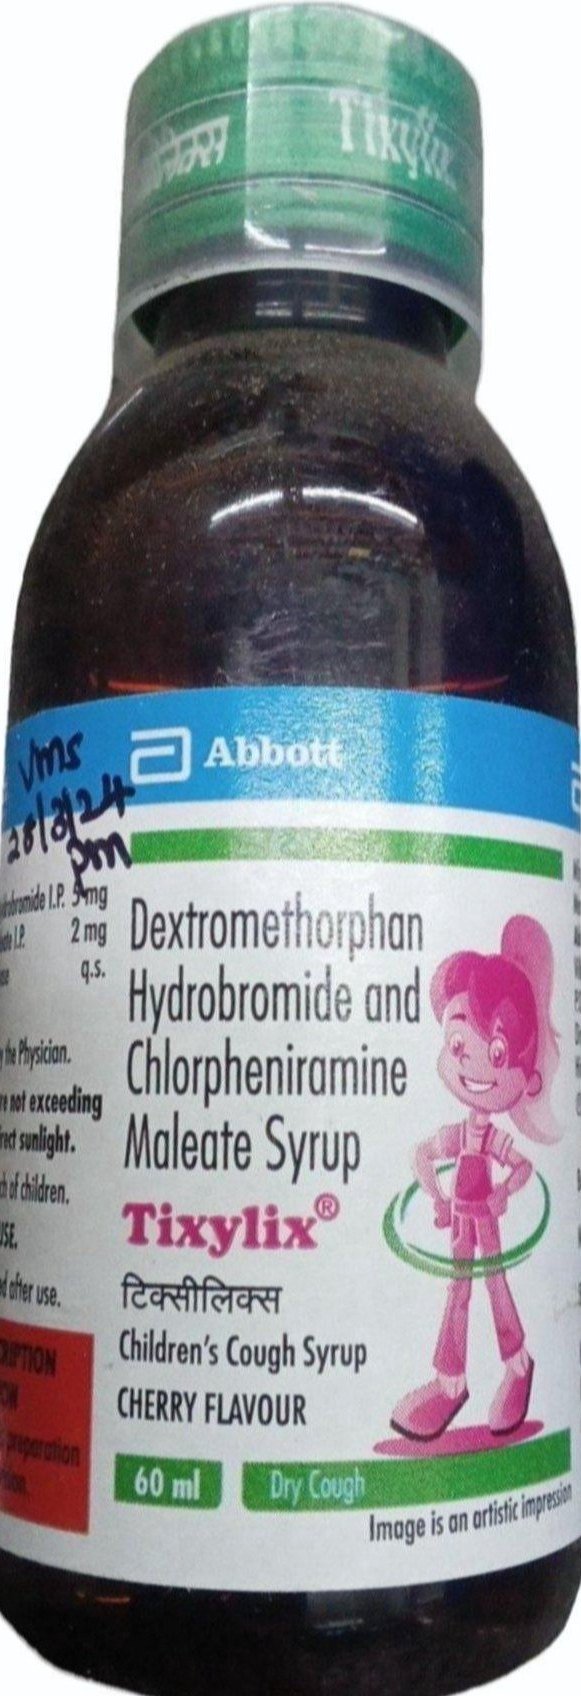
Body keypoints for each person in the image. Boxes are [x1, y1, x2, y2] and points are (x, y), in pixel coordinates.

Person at [391, 916, 560, 1442]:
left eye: (497, 1051)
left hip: (485, 1219)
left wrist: (503, 1193)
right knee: (458, 1292)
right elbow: (422, 1154)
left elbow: (523, 1166)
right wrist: (437, 1196)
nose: (472, 1062)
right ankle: (450, 1382)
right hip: (461, 1221)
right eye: (459, 1042)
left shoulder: (489, 1138)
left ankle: (517, 1363)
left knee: (496, 1285)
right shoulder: (461, 1133)